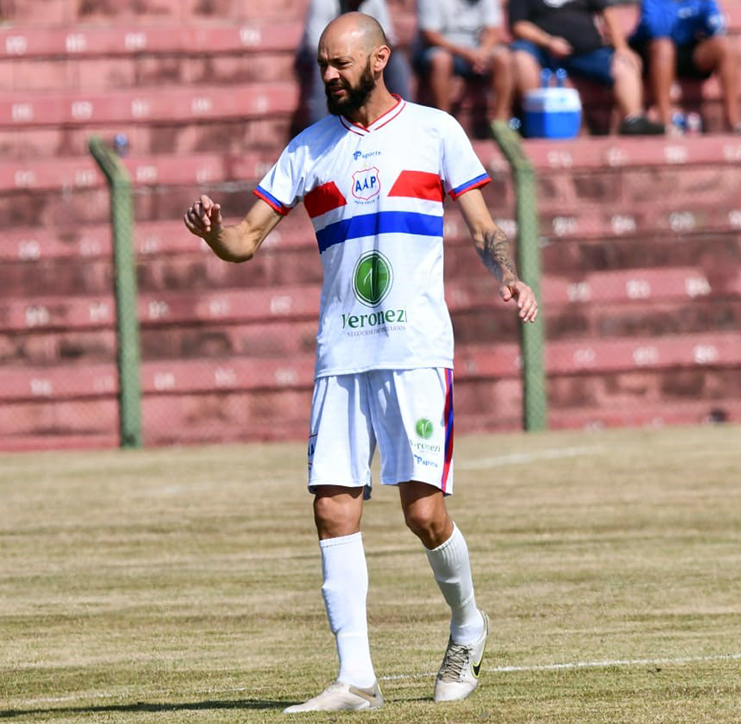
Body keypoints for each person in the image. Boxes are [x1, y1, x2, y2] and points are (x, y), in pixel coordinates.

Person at [184, 12, 538, 713]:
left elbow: (483, 225)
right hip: (341, 354)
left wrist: (510, 273)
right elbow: (248, 241)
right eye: (321, 64)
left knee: (424, 513)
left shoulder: (436, 131)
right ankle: (356, 680)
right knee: (332, 508)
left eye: (340, 64)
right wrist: (215, 234)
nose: (328, 76)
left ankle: (468, 624)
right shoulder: (308, 149)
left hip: (414, 351)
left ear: (379, 60)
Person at [508, 0, 666, 135]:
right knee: (521, 58)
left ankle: (633, 120)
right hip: (543, 51)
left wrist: (621, 47)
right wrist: (548, 41)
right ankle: (533, 120)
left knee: (625, 63)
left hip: (589, 52)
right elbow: (519, 25)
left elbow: (607, 11)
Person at [629, 0, 741, 135]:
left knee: (726, 48)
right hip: (653, 55)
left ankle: (734, 122)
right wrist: (683, 13)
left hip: (687, 50)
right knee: (664, 47)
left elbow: (716, 27)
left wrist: (702, 17)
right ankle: (665, 123)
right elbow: (657, 30)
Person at [296, 0, 413, 127]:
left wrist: (362, 54)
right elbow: (315, 44)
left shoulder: (375, 2)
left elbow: (387, 37)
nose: (329, 75)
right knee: (326, 65)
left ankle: (404, 118)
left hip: (364, 54)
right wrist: (344, 55)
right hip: (316, 56)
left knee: (397, 61)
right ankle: (318, 122)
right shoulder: (323, 3)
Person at [414, 0, 514, 122]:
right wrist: (466, 53)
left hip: (477, 51)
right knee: (441, 60)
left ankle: (500, 122)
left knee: (503, 57)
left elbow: (493, 31)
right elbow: (430, 35)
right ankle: (444, 120)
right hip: (441, 49)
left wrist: (482, 54)